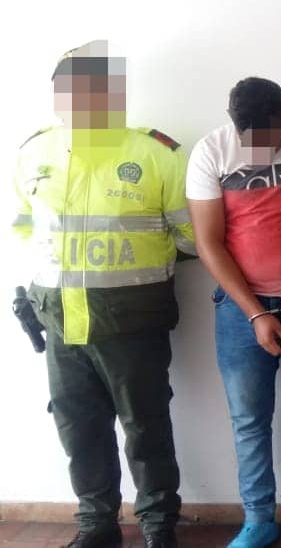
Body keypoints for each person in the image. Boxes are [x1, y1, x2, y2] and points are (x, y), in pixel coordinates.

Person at [11, 40, 195, 548]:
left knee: (146, 427)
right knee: (78, 427)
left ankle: (158, 526)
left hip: (131, 320)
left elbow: (191, 238)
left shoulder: (156, 153)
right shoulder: (33, 152)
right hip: (59, 320)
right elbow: (27, 229)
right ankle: (97, 524)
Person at [186, 77, 281, 548]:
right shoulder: (211, 152)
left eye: (268, 138)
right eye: (247, 138)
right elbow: (208, 243)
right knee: (249, 420)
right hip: (241, 310)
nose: (256, 149)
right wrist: (256, 314)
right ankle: (258, 519)